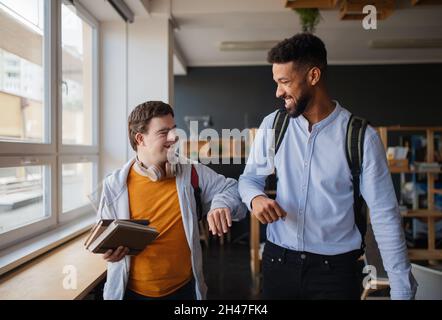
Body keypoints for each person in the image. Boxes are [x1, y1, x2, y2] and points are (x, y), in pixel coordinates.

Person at [238, 33, 417, 300]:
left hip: (335, 274)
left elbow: (384, 216)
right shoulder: (273, 125)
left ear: (313, 76)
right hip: (278, 265)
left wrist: (402, 290)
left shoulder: (362, 137)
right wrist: (255, 199)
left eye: (284, 82)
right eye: (276, 82)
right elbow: (249, 179)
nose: (278, 92)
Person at [97, 101, 246, 300]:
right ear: (140, 139)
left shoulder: (192, 172)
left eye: (174, 130)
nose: (174, 137)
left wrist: (221, 203)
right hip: (131, 294)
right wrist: (109, 253)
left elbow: (233, 188)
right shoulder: (113, 185)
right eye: (163, 132)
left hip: (184, 291)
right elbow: (106, 240)